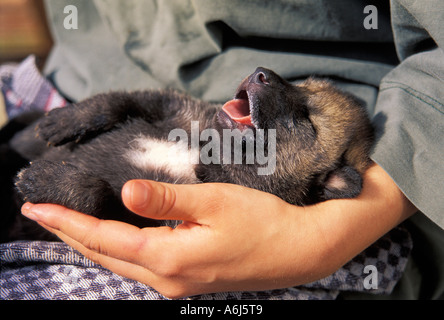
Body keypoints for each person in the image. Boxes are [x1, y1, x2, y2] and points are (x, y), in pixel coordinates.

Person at [18, 0, 444, 299]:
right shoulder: (205, 122)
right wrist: (95, 111)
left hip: (314, 231)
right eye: (298, 90)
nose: (266, 78)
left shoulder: (229, 209)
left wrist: (342, 225)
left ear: (328, 183)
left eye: (305, 124)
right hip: (69, 87)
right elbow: (156, 103)